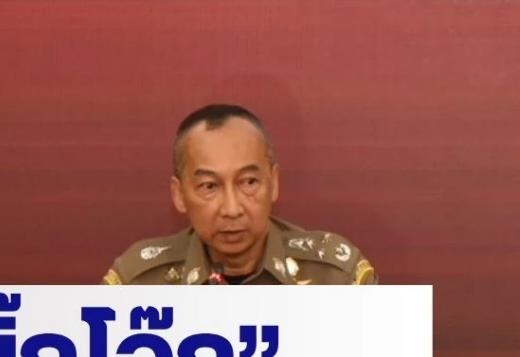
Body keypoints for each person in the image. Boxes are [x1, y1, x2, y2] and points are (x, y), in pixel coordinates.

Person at [102, 104, 376, 286]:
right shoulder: (138, 284)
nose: (232, 209)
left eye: (249, 182)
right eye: (209, 186)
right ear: (179, 195)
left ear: (274, 183)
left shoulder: (334, 277)